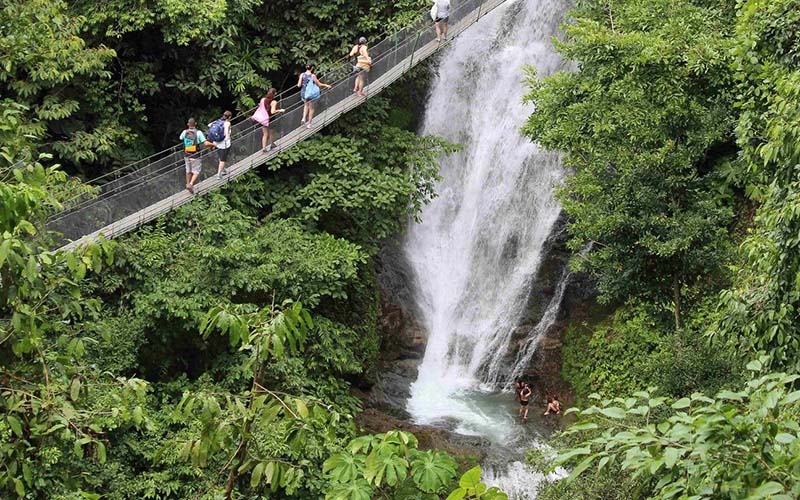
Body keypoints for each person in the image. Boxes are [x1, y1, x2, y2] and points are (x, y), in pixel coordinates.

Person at [179, 118, 212, 194]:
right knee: (196, 171)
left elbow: (180, 138)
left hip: (186, 154)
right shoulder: (199, 133)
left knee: (188, 170)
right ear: (196, 124)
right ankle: (190, 184)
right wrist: (214, 144)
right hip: (195, 155)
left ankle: (188, 184)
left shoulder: (185, 132)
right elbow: (205, 143)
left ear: (188, 124)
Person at [297, 64, 331, 129]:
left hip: (304, 93)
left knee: (306, 105)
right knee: (311, 108)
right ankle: (309, 124)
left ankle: (303, 118)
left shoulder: (302, 75)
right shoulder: (312, 76)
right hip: (310, 94)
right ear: (312, 68)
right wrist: (326, 85)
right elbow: (319, 84)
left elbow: (298, 85)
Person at [209, 110, 232, 179]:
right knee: (223, 159)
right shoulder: (227, 123)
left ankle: (223, 170)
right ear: (230, 117)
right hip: (224, 144)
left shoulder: (217, 121)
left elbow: (209, 125)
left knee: (221, 157)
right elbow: (226, 134)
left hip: (216, 143)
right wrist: (227, 137)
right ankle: (219, 174)